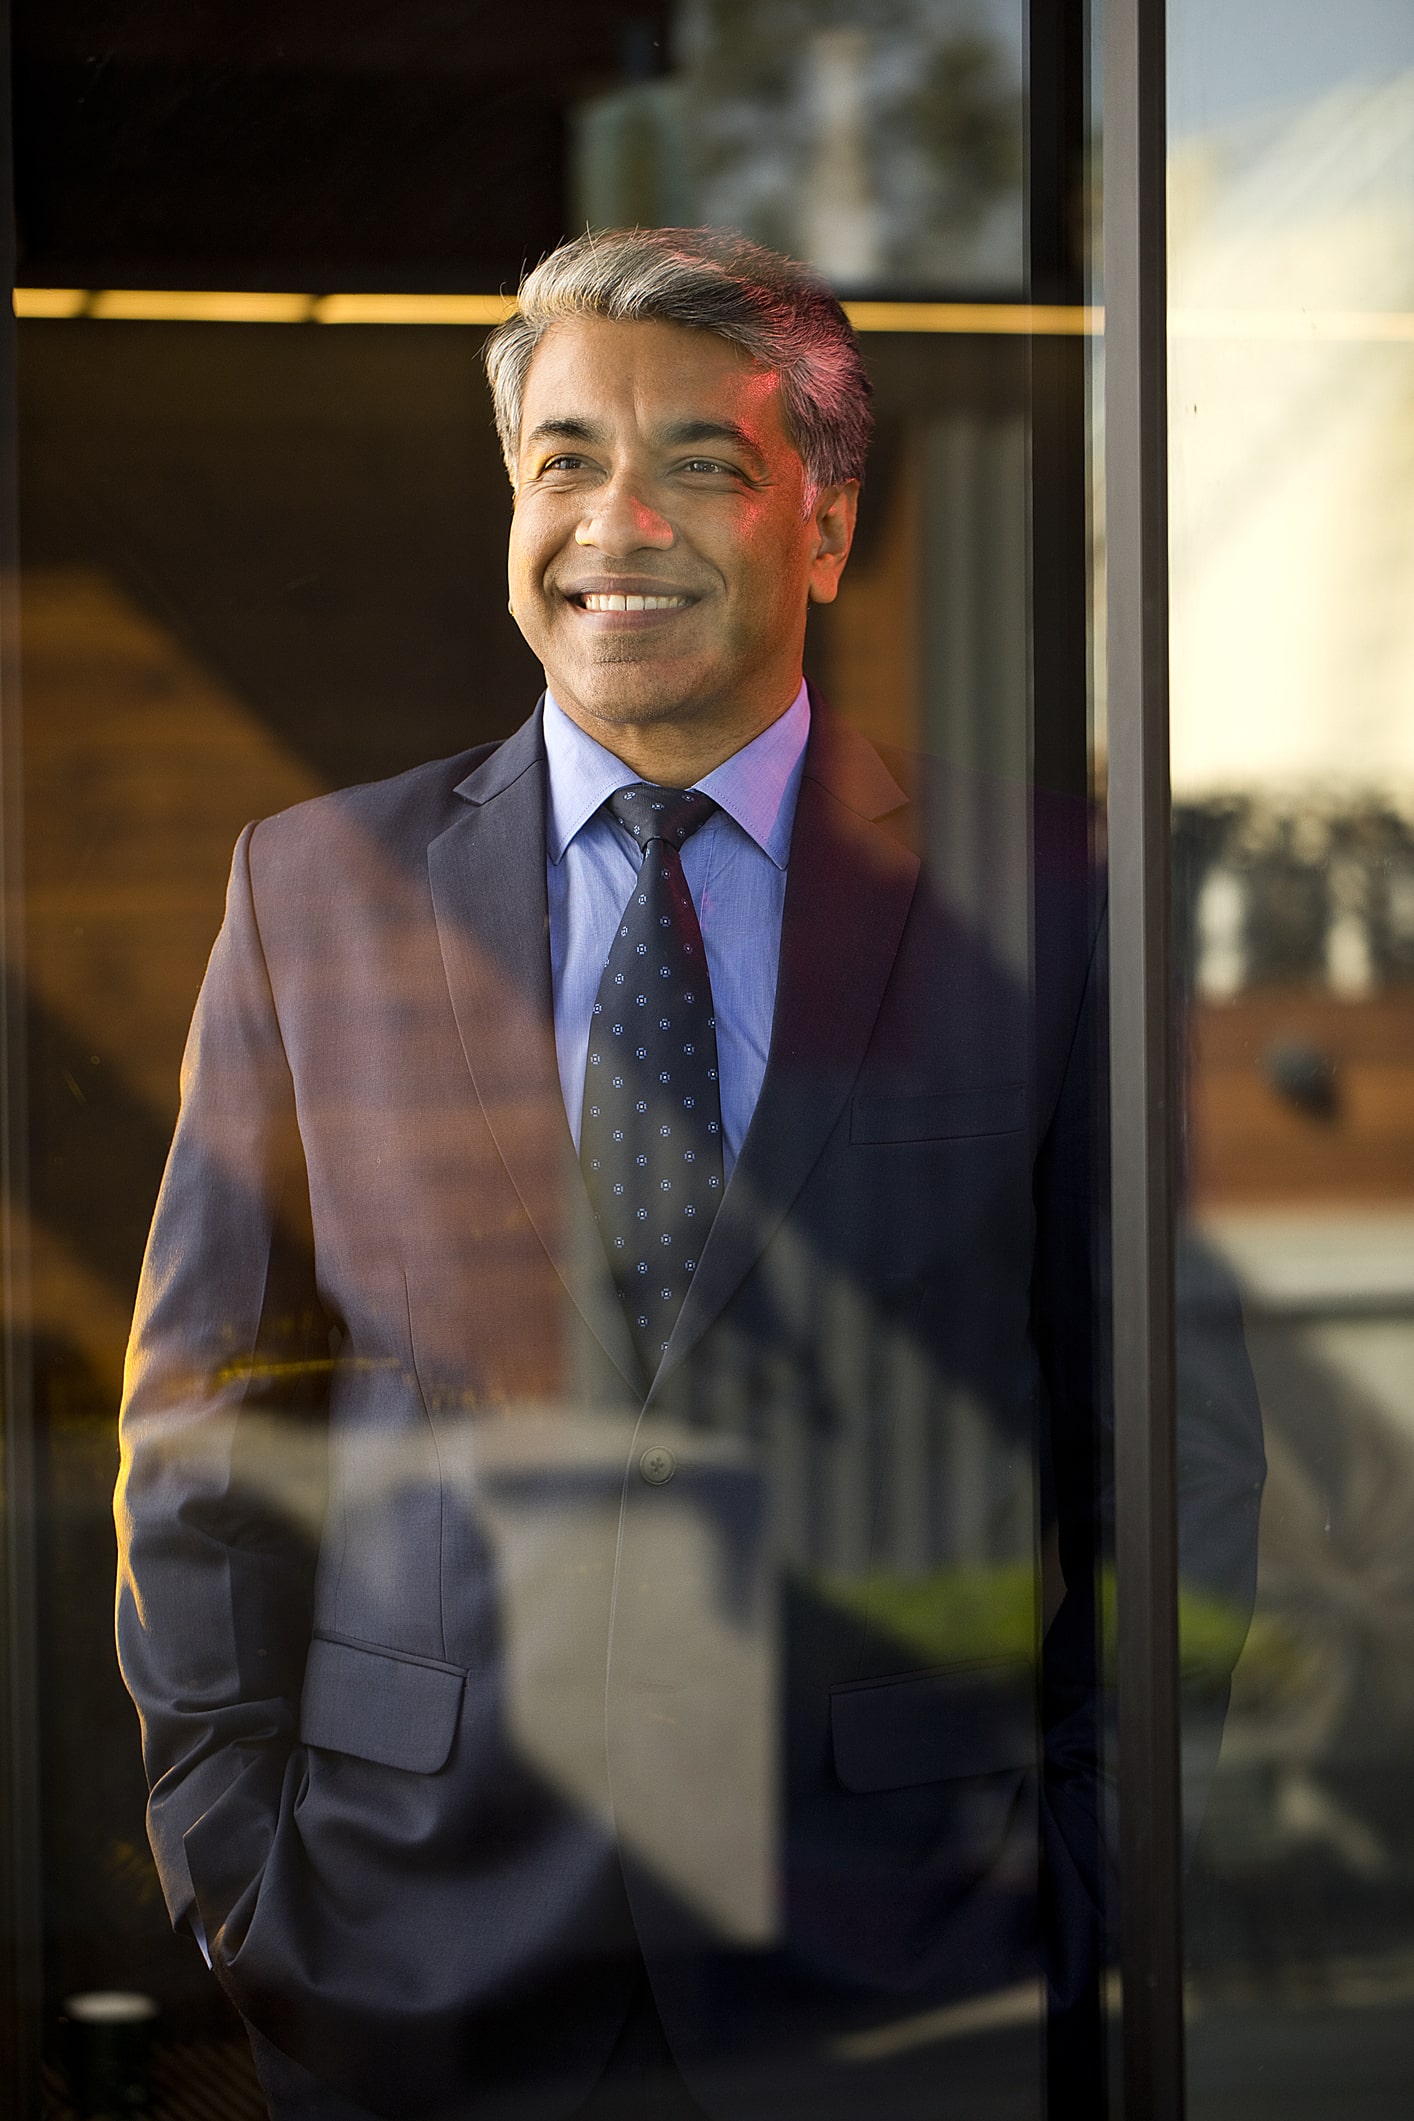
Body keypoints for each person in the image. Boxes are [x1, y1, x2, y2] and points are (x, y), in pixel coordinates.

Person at [115, 226, 1134, 2120]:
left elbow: (1162, 1461)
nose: (616, 521)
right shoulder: (309, 895)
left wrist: (1085, 1876)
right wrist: (239, 1871)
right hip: (407, 1967)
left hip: (907, 1973)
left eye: (701, 464)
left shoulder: (1048, 905)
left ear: (823, 526)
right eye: (567, 456)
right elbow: (204, 1438)